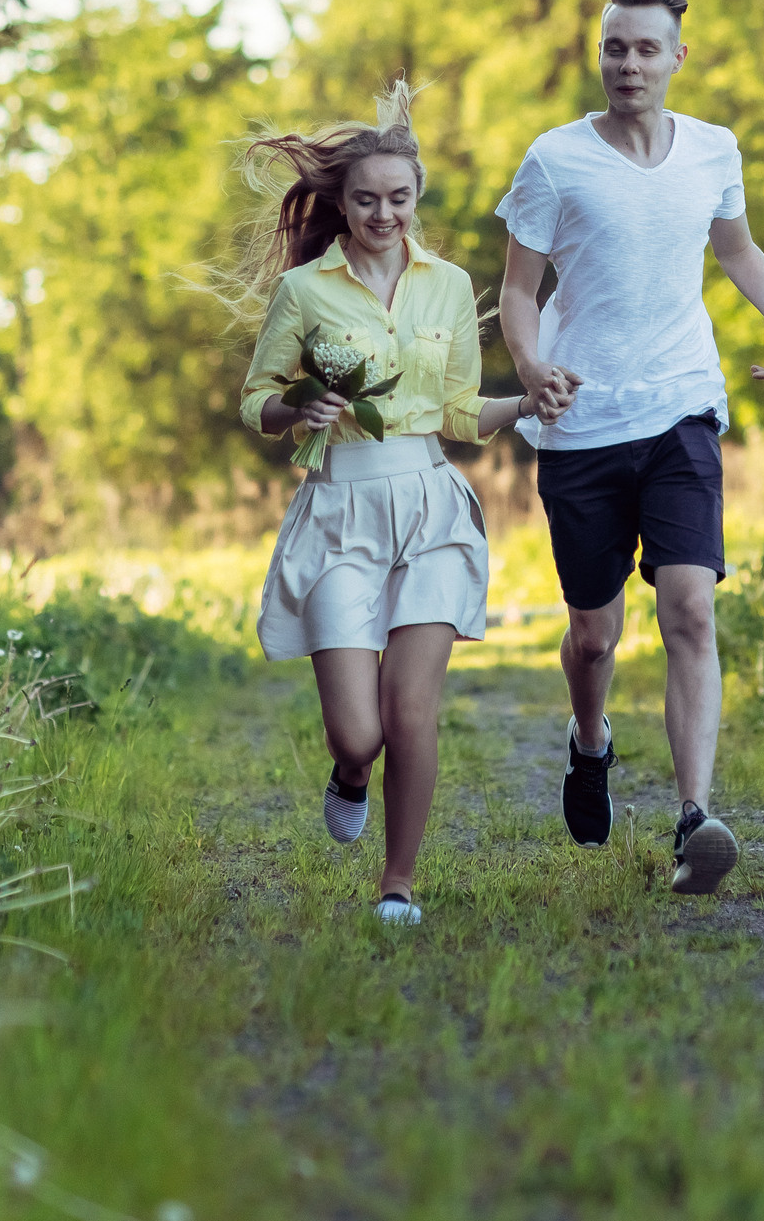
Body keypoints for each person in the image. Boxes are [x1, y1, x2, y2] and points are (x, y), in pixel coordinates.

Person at [496, 0, 764, 895]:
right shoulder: (556, 158)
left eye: (644, 49)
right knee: (593, 634)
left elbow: (736, 246)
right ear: (601, 53)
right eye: (612, 47)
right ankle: (589, 739)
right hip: (582, 422)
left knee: (691, 608)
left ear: (677, 55)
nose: (627, 64)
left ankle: (692, 818)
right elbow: (517, 290)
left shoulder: (714, 149)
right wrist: (528, 368)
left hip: (681, 406)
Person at [237, 83, 571, 926]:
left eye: (399, 197)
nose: (384, 213)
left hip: (429, 509)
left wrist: (524, 405)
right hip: (340, 513)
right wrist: (295, 408)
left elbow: (460, 412)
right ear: (340, 204)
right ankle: (349, 774)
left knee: (410, 707)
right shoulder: (306, 292)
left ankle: (398, 883)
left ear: (417, 196)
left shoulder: (451, 286)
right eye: (366, 200)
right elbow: (256, 401)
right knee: (360, 732)